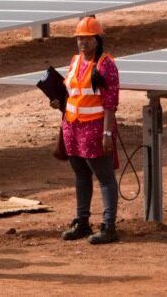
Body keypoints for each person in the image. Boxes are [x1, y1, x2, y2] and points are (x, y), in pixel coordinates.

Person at [58, 16, 120, 244]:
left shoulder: (106, 65)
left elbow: (110, 103)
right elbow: (71, 92)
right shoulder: (75, 61)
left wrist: (107, 133)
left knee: (105, 178)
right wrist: (59, 102)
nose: (82, 42)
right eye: (79, 38)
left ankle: (109, 226)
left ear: (97, 39)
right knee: (81, 175)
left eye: (87, 38)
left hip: (94, 130)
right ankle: (82, 221)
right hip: (72, 128)